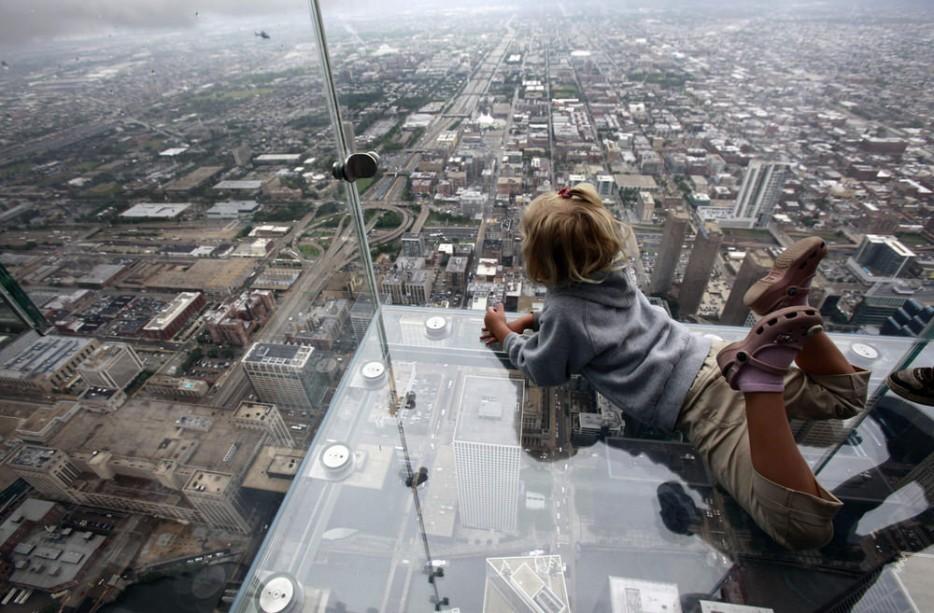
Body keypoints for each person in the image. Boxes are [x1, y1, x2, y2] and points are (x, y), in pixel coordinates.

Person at [480, 183, 869, 550]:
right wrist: (536, 322)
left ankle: (761, 382)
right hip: (713, 354)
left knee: (803, 528)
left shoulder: (566, 312)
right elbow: (586, 322)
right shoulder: (614, 276)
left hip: (703, 405)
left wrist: (505, 334)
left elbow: (543, 368)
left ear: (540, 258)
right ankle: (786, 302)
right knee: (844, 397)